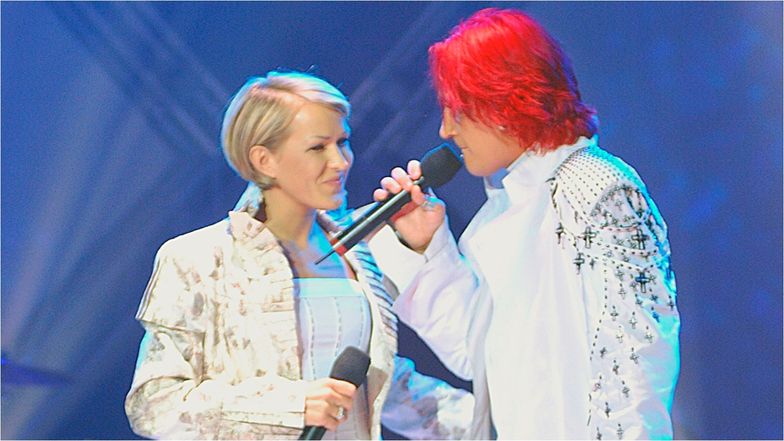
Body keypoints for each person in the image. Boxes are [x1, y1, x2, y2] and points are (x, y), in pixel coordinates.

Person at [372, 8, 680, 440]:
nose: (445, 130)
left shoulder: (593, 185)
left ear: (504, 100)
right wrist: (426, 250)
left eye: (457, 110)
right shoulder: (512, 204)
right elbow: (481, 355)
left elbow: (638, 354)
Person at [124, 71, 473, 440]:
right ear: (264, 160)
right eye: (318, 148)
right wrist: (292, 405)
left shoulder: (358, 251)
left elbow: (382, 386)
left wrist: (494, 424)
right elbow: (154, 406)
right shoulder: (199, 258)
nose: (340, 161)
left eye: (343, 142)